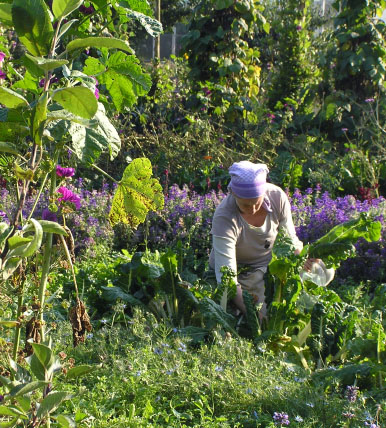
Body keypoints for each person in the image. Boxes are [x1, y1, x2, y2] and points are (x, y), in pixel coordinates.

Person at [209, 160, 316, 318]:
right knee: (258, 312)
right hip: (240, 274)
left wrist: (300, 255)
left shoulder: (277, 197)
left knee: (312, 275)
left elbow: (289, 239)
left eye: (256, 202)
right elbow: (228, 279)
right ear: (233, 194)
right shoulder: (224, 217)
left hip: (268, 267)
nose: (252, 209)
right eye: (245, 205)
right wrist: (256, 317)